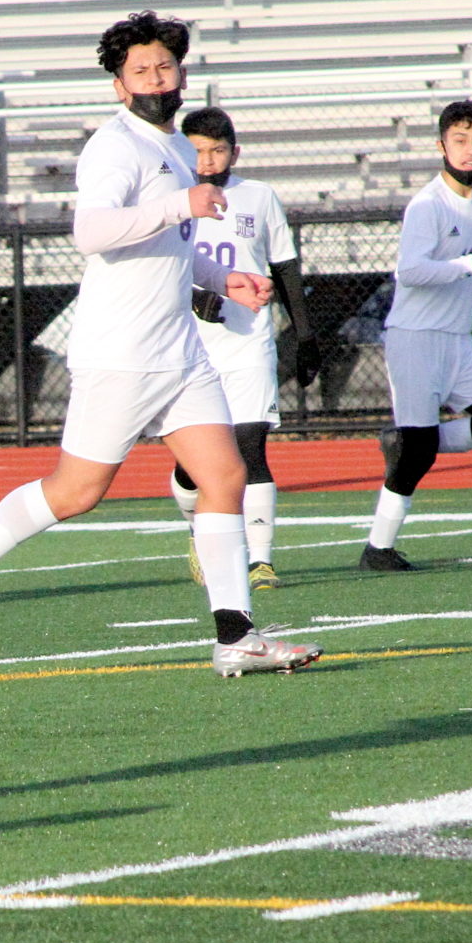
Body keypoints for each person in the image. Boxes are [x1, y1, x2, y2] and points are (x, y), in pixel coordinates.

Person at [0, 12, 319, 679]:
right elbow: (93, 232)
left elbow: (168, 250)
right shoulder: (115, 147)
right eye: (141, 71)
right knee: (74, 493)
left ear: (182, 72)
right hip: (121, 355)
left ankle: (236, 635)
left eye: (165, 67)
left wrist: (225, 276)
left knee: (225, 477)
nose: (156, 79)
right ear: (118, 85)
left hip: (180, 351)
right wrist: (179, 207)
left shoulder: (178, 149)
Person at [360, 98, 472, 572]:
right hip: (414, 339)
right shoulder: (427, 204)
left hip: (456, 340)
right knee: (417, 456)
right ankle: (378, 549)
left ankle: (409, 439)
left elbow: (463, 259)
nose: (470, 151)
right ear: (441, 146)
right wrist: (471, 267)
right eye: (460, 141)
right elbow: (410, 272)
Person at [169, 106, 314, 588]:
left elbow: (285, 266)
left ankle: (260, 561)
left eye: (217, 150)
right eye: (198, 152)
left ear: (235, 151)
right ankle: (198, 527)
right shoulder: (173, 200)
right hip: (189, 346)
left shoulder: (258, 197)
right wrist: (197, 298)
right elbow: (158, 270)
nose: (207, 161)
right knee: (196, 462)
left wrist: (304, 332)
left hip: (249, 341)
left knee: (251, 444)